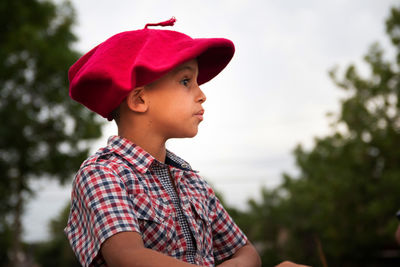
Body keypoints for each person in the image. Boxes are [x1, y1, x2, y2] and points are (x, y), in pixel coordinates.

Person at [65, 17, 307, 267]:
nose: (202, 95)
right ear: (139, 100)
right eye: (185, 81)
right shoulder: (102, 174)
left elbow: (246, 252)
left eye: (197, 82)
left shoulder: (192, 182)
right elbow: (129, 258)